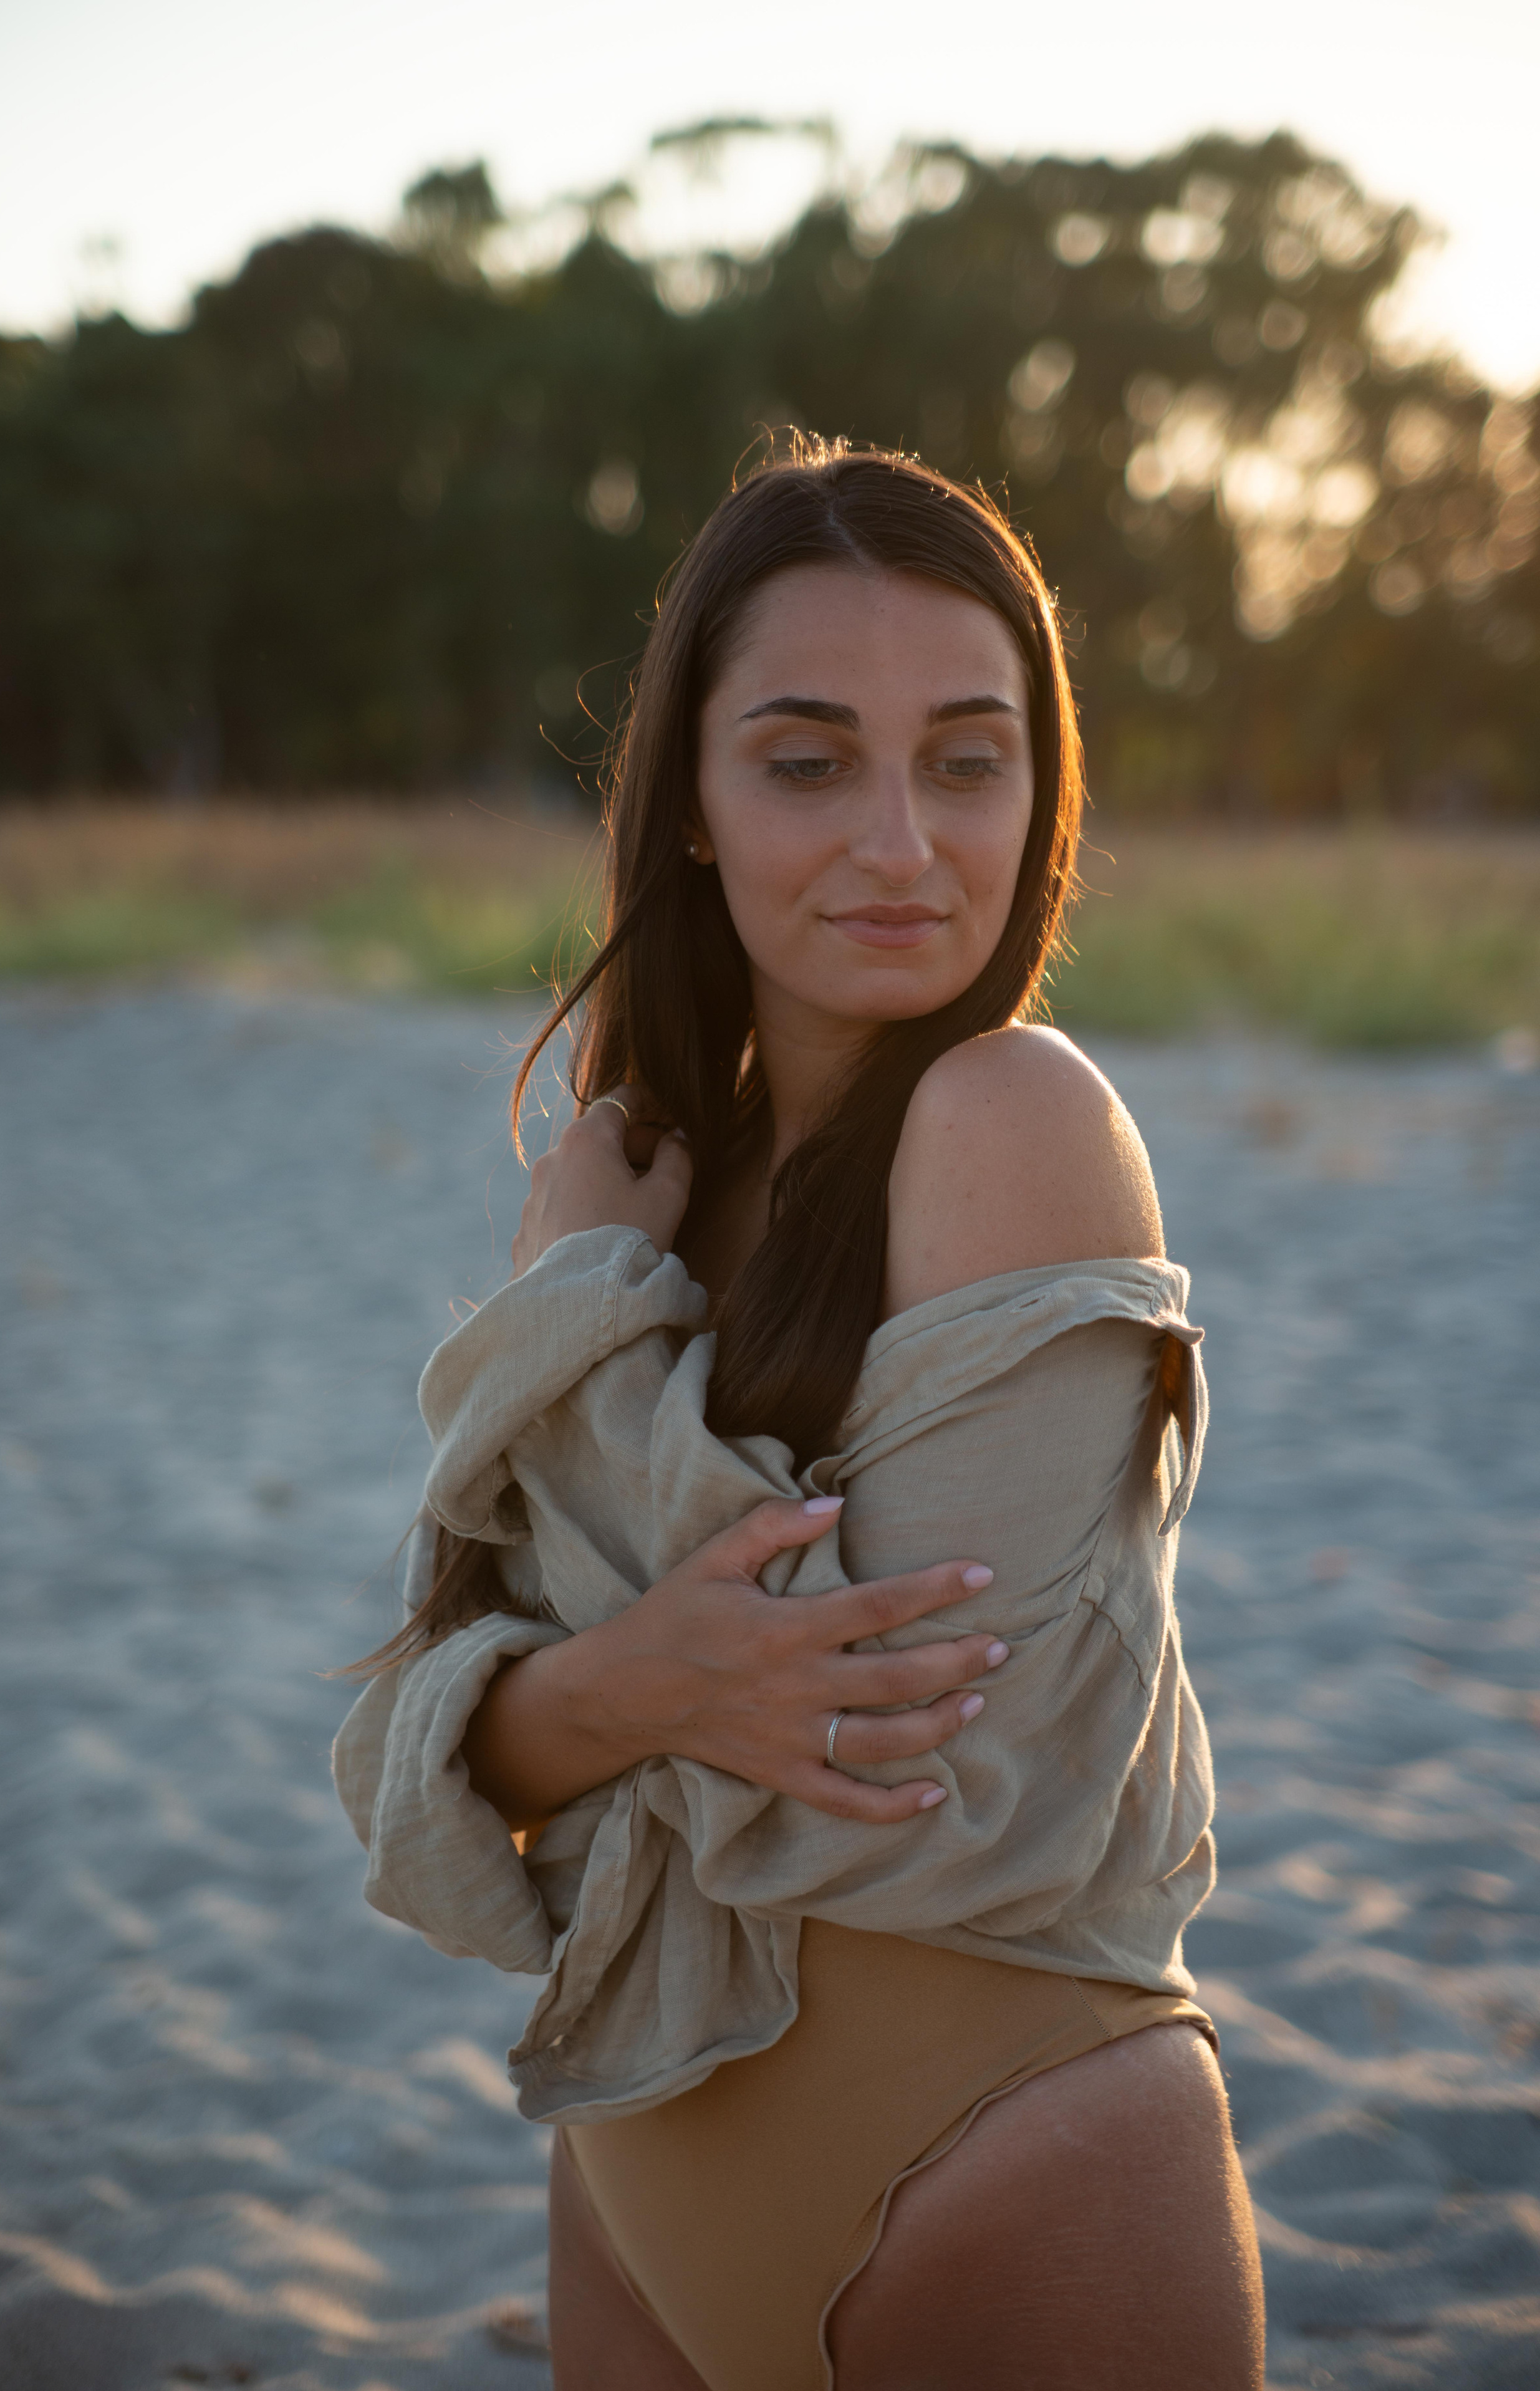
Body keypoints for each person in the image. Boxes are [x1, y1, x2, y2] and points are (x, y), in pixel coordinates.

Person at [334, 440, 1264, 2390]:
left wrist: (584, 1344)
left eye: (969, 758)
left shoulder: (1013, 1120)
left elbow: (907, 1783)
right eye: (809, 758)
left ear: (1042, 787)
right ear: (689, 796)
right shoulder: (657, 1174)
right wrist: (640, 1687)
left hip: (996, 2175)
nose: (906, 844)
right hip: (640, 2152)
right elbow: (414, 1756)